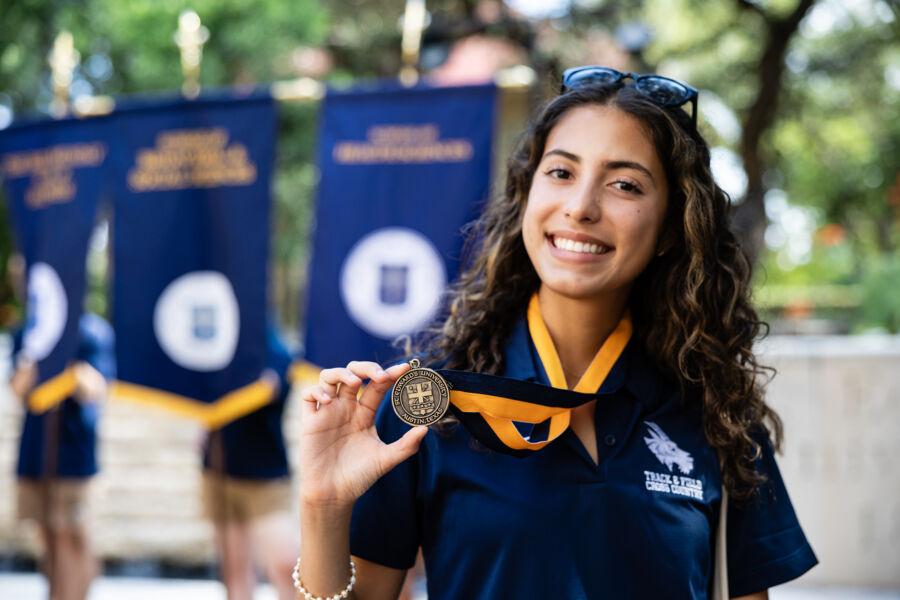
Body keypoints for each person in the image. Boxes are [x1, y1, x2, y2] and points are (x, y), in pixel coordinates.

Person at [296, 66, 819, 599]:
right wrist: (324, 506)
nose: (581, 207)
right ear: (527, 195)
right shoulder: (429, 402)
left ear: (669, 227)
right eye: (562, 173)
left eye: (625, 184)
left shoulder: (718, 410)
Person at [10, 311, 115, 600]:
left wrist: (67, 367)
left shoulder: (92, 331)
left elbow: (97, 387)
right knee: (48, 537)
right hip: (36, 450)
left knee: (73, 536)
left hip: (75, 453)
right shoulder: (30, 329)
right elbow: (18, 389)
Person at [201, 324, 299, 600]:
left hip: (265, 475)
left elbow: (267, 388)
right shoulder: (217, 336)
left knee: (285, 567)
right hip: (219, 470)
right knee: (234, 570)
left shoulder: (273, 347)